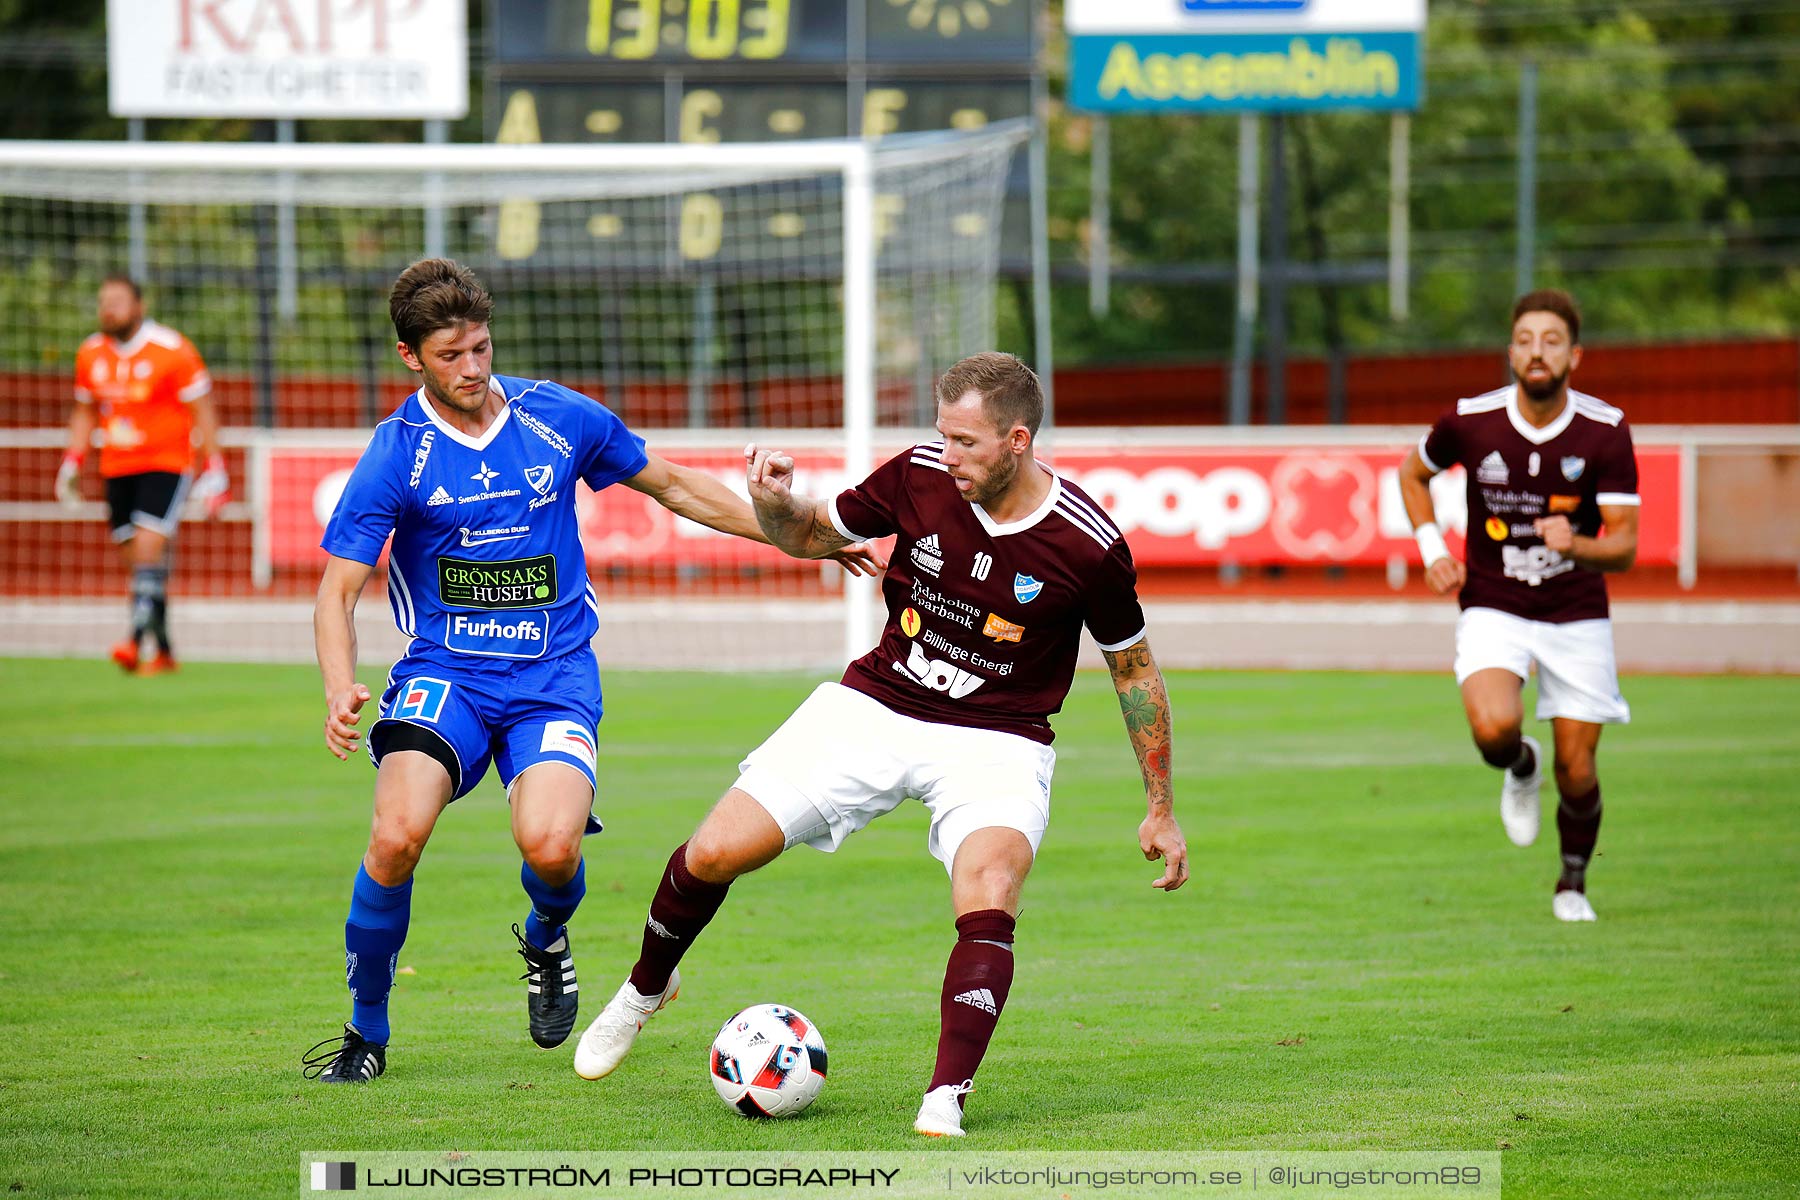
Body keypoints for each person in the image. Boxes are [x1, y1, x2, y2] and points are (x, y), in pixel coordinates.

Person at [571, 351, 1188, 1137]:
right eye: (943, 435)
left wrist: (1160, 807)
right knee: (715, 851)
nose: (949, 455)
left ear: (1018, 441)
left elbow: (1133, 670)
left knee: (991, 885)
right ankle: (644, 992)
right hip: (875, 704)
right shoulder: (917, 477)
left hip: (998, 738)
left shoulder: (1087, 545)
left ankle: (945, 1098)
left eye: (966, 442)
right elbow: (809, 536)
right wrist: (774, 503)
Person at [301, 259, 879, 1084]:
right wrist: (337, 687)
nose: (473, 369)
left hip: (553, 675)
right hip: (446, 675)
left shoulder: (556, 417)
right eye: (451, 356)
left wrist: (806, 534)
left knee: (550, 847)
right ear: (411, 358)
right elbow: (337, 592)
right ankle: (366, 1034)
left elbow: (677, 488)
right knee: (395, 839)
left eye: (481, 348)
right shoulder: (398, 454)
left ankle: (546, 934)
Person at [1398, 289, 1639, 923]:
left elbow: (1625, 547)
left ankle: (1572, 884)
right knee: (1494, 729)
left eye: (1552, 341)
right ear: (1511, 351)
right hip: (1494, 603)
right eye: (1526, 339)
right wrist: (1432, 548)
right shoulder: (1470, 421)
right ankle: (1519, 765)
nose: (1538, 352)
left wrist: (1580, 543)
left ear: (1574, 355)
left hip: (1577, 610)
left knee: (1579, 769)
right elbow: (1412, 473)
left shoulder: (1605, 431)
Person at [56, 274, 229, 674]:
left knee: (150, 548)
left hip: (167, 463)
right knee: (137, 560)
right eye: (103, 301)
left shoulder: (172, 350)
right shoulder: (90, 353)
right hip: (116, 467)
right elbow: (84, 411)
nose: (108, 309)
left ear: (139, 306)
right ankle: (165, 651)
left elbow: (202, 410)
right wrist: (72, 461)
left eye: (117, 301)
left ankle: (133, 642)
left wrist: (215, 467)